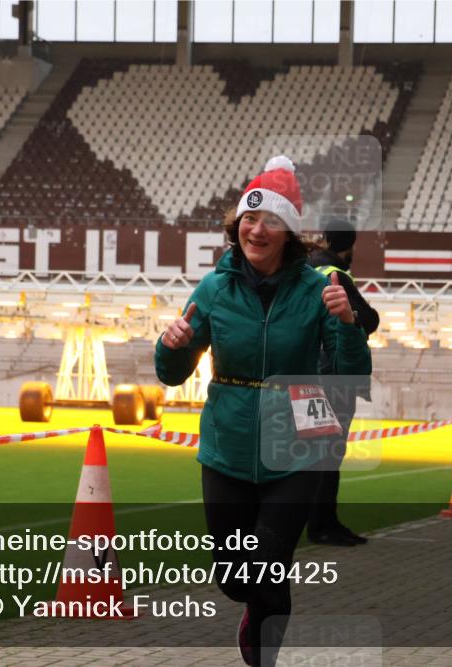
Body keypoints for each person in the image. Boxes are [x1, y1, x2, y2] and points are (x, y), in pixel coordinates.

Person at [155, 156, 372, 667]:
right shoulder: (215, 287)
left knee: (270, 566)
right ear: (237, 227)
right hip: (226, 444)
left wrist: (346, 323)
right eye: (249, 220)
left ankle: (262, 656)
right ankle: (254, 613)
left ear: (289, 233)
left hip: (299, 439)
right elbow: (171, 372)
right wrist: (172, 345)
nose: (257, 229)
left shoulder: (320, 289)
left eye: (271, 220)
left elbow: (351, 373)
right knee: (235, 576)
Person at [305, 221, 380, 546]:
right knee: (329, 454)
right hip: (333, 377)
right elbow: (370, 317)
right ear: (348, 245)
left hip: (306, 376)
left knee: (312, 454)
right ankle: (323, 525)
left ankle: (308, 521)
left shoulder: (304, 270)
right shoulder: (334, 273)